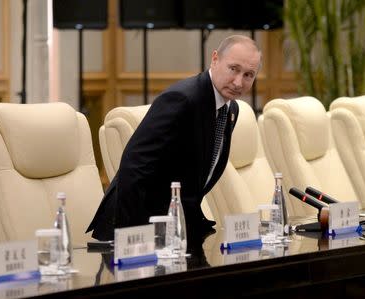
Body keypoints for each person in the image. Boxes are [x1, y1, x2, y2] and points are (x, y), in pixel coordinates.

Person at [87, 35, 262, 241]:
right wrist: (134, 237)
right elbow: (134, 167)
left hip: (175, 227)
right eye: (233, 69)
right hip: (134, 226)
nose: (238, 82)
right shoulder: (182, 99)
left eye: (248, 75)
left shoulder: (230, 108)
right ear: (215, 59)